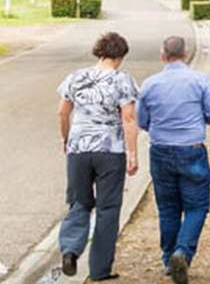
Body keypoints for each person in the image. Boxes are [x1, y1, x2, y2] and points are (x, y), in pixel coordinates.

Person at [137, 35, 210, 284]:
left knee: (167, 207)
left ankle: (168, 259)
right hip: (191, 149)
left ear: (163, 55)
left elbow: (143, 121)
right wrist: (199, 120)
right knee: (197, 206)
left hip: (161, 150)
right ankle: (183, 252)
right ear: (185, 54)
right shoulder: (199, 80)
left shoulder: (150, 84)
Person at [58, 31, 141, 283]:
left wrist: (66, 139)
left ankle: (70, 250)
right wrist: (133, 152)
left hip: (79, 149)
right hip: (109, 150)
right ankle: (99, 269)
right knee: (108, 208)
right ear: (120, 56)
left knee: (79, 202)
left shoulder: (76, 77)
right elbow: (128, 118)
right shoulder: (122, 80)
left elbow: (62, 113)